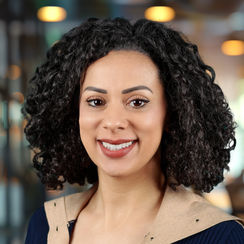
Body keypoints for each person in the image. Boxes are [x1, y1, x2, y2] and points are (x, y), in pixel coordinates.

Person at [23, 17, 244, 244]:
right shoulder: (45, 226)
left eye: (137, 102)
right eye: (96, 102)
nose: (113, 122)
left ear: (171, 113)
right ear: (73, 113)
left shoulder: (221, 237)